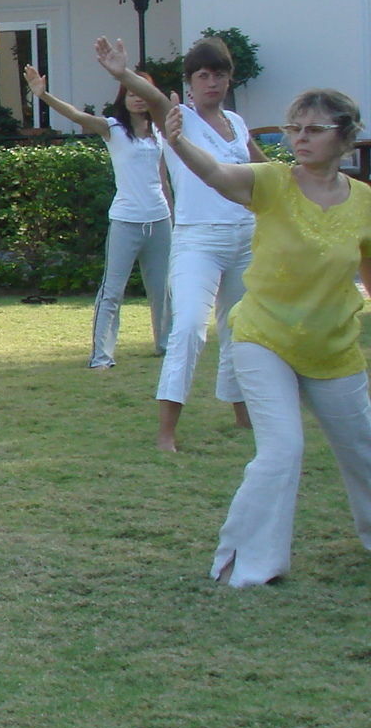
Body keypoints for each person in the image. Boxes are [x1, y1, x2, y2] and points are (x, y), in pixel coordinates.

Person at [114, 66, 371, 586]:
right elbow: (213, 173)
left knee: (363, 447)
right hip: (264, 337)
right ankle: (250, 561)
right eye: (294, 127)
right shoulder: (273, 182)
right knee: (282, 450)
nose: (299, 137)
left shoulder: (365, 202)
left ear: (345, 136)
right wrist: (176, 137)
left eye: (313, 129)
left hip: (334, 348)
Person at [95, 35, 265, 450]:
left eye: (219, 74)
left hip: (244, 238)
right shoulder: (178, 118)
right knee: (188, 326)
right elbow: (152, 97)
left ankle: (242, 414)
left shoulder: (238, 125)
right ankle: (166, 431)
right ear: (190, 82)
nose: (212, 82)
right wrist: (123, 74)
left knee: (238, 329)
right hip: (197, 240)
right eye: (203, 75)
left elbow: (266, 171)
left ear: (229, 80)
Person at [25, 63, 171, 369]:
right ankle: (102, 356)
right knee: (112, 291)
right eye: (130, 93)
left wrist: (174, 216)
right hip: (126, 221)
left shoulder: (160, 131)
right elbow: (77, 116)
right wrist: (43, 95)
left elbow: (164, 179)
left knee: (162, 290)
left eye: (142, 92)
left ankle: (165, 346)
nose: (137, 98)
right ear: (123, 97)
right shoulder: (113, 129)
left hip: (159, 220)